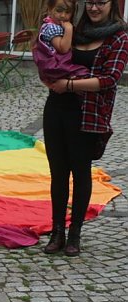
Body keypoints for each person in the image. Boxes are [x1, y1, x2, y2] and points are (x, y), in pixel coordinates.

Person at [41, 0, 128, 256]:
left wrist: (68, 85)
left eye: (101, 2)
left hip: (88, 114)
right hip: (56, 108)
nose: (94, 7)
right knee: (58, 173)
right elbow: (51, 54)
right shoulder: (73, 30)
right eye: (90, 1)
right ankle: (57, 231)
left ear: (112, 4)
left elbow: (109, 79)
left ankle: (75, 234)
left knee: (81, 173)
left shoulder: (119, 37)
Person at [34, 0, 91, 83]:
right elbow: (63, 49)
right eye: (59, 10)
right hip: (56, 66)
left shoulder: (51, 24)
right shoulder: (52, 28)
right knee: (83, 72)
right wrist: (69, 29)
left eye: (68, 12)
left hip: (55, 66)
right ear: (49, 9)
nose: (63, 15)